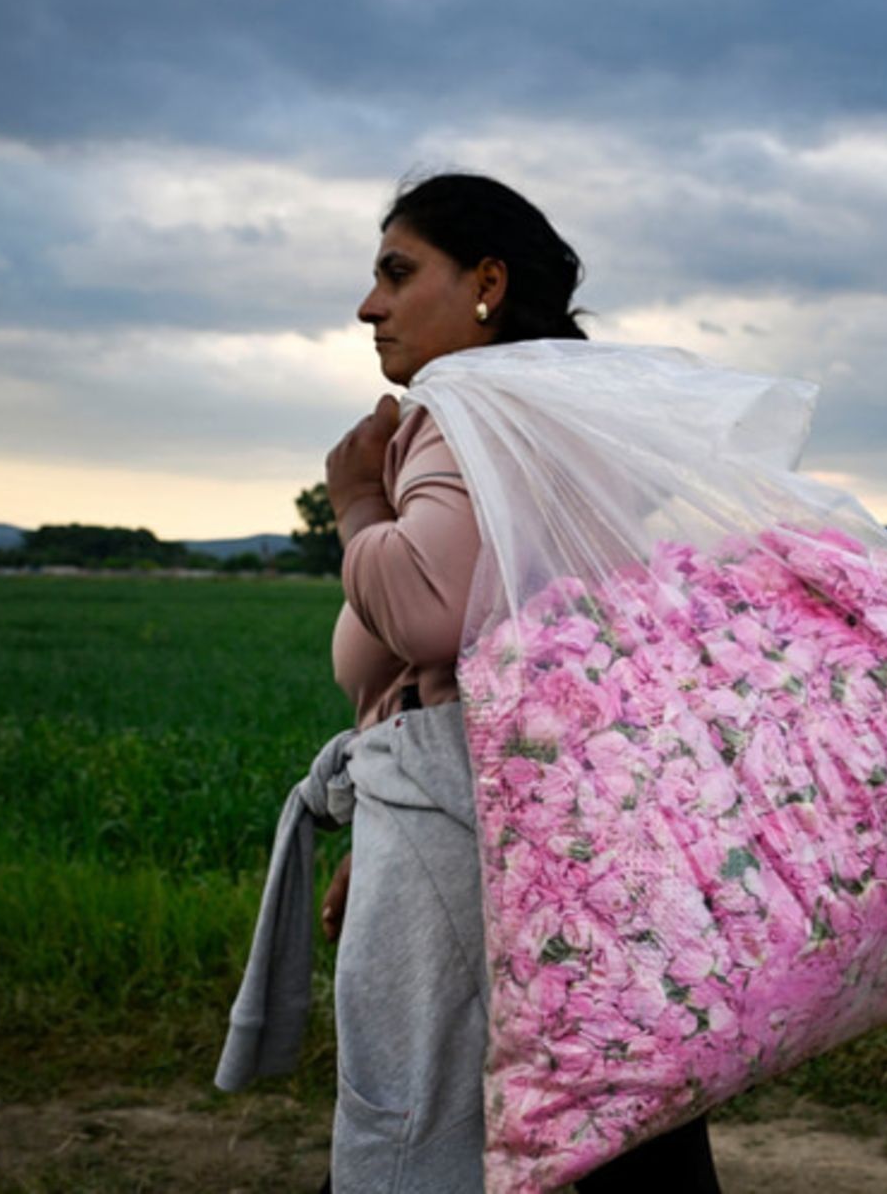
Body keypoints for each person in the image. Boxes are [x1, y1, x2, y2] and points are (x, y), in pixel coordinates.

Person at [244, 174, 722, 1192]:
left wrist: (355, 502)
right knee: (604, 1116)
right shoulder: (566, 424)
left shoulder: (470, 416)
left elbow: (423, 609)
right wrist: (388, 831)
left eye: (397, 271)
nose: (368, 304)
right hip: (565, 832)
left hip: (481, 837)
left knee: (424, 1133)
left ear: (487, 284)